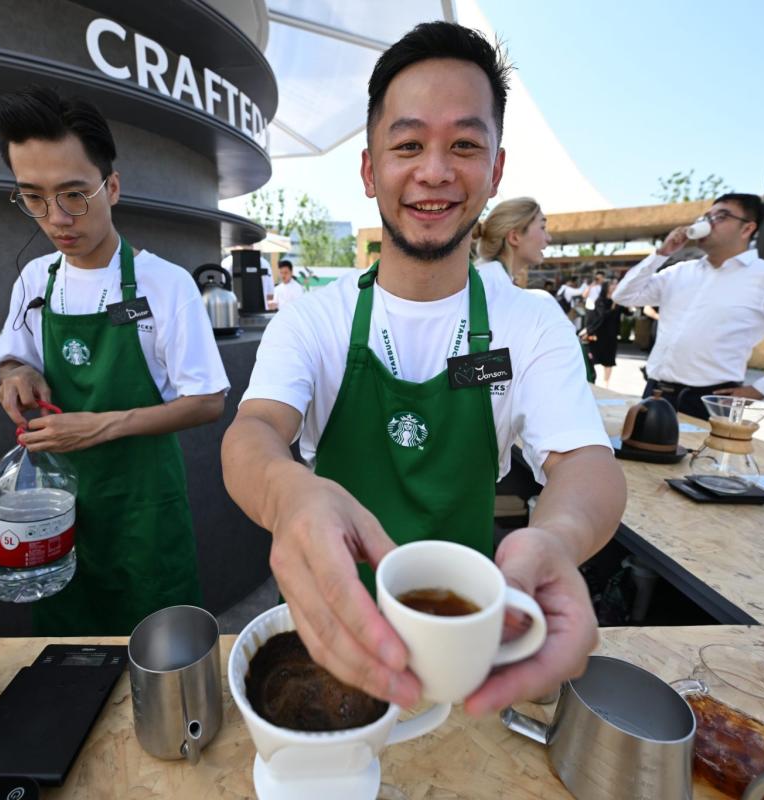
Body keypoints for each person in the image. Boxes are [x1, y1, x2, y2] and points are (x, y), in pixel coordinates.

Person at [221, 22, 626, 716]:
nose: (435, 171)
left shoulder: (529, 322)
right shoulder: (314, 318)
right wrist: (287, 494)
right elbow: (253, 431)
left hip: (466, 637)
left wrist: (555, 538)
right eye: (407, 144)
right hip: (332, 630)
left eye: (464, 145)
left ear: (496, 170)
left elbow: (586, 461)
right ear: (370, 169)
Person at [0, 87, 229, 635]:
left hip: (145, 513)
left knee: (161, 651)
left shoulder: (165, 284)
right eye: (34, 198)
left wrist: (99, 427)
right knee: (69, 654)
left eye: (74, 195)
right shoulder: (35, 280)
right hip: (54, 511)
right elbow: (11, 359)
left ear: (111, 186)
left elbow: (208, 400)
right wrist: (15, 375)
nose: (56, 218)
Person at [611, 193, 764, 419]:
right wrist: (661, 254)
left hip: (711, 398)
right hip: (656, 391)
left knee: (703, 455)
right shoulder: (681, 271)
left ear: (747, 229)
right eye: (706, 217)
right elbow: (624, 296)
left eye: (720, 217)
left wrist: (761, 389)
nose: (707, 223)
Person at [472, 196, 550, 289]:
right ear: (514, 237)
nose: (549, 238)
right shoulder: (493, 286)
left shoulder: (483, 277)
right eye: (542, 227)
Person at [581, 277, 622, 387]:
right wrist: (613, 306)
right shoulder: (600, 301)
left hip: (612, 335)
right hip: (600, 334)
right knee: (593, 358)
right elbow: (603, 316)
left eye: (615, 284)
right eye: (612, 285)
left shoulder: (619, 301)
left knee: (609, 360)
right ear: (607, 288)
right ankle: (591, 380)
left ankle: (606, 384)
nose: (614, 286)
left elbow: (627, 313)